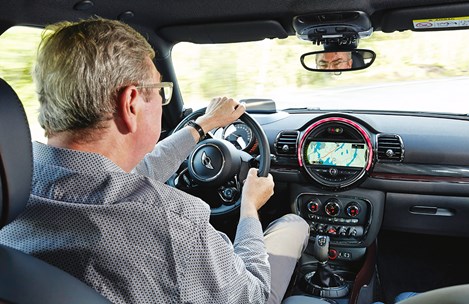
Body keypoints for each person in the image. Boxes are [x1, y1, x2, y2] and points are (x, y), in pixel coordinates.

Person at [0, 18, 309, 304]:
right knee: (292, 225)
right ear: (131, 103)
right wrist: (249, 211)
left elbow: (127, 178)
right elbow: (251, 295)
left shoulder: (12, 190)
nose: (162, 102)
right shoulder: (173, 223)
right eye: (159, 92)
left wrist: (202, 127)